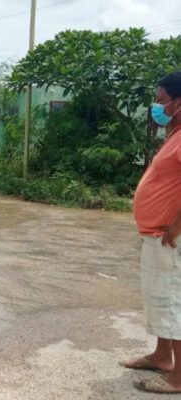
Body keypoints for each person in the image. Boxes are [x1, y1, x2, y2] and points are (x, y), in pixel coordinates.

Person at [124, 71, 181, 393]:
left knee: (175, 303)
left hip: (170, 237)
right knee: (162, 300)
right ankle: (162, 357)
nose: (157, 106)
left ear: (179, 101)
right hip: (158, 234)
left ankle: (179, 377)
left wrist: (175, 227)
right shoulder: (175, 133)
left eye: (161, 101)